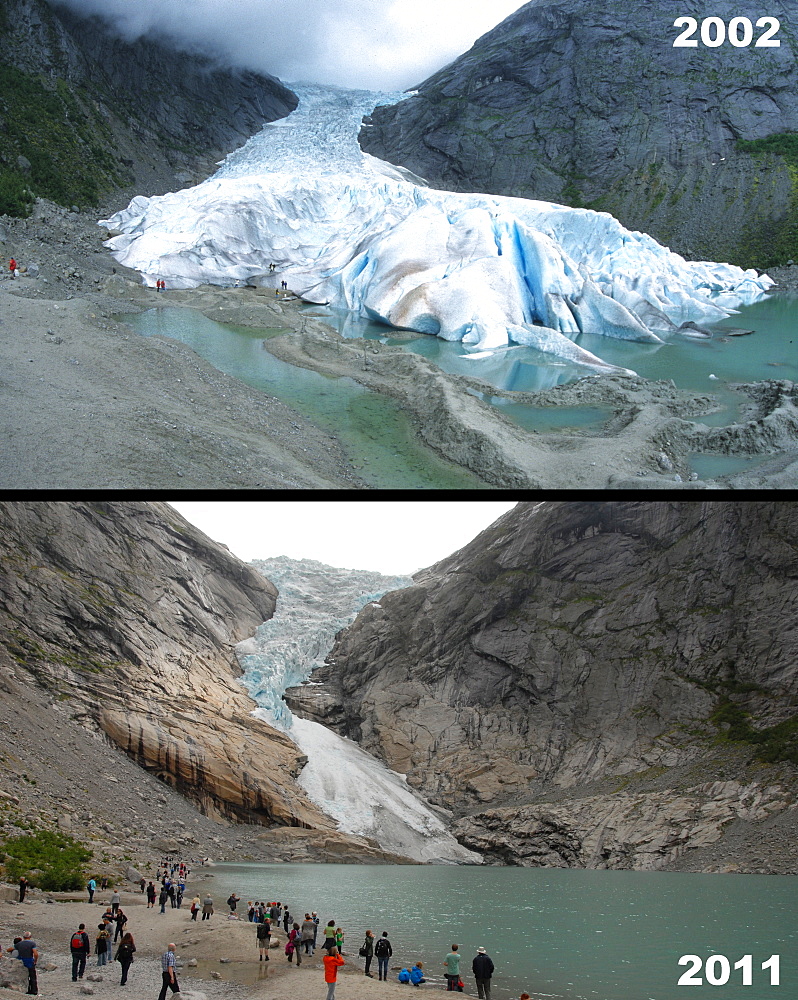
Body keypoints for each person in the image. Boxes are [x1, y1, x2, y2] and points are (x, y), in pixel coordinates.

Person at [15, 931, 38, 996]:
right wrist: (35, 960)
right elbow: (35, 953)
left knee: (23, 977)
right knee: (32, 977)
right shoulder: (32, 944)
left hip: (21, 962)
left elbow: (10, 949)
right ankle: (34, 991)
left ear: (23, 937)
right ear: (30, 937)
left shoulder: (19, 944)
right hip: (30, 961)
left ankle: (25, 989)